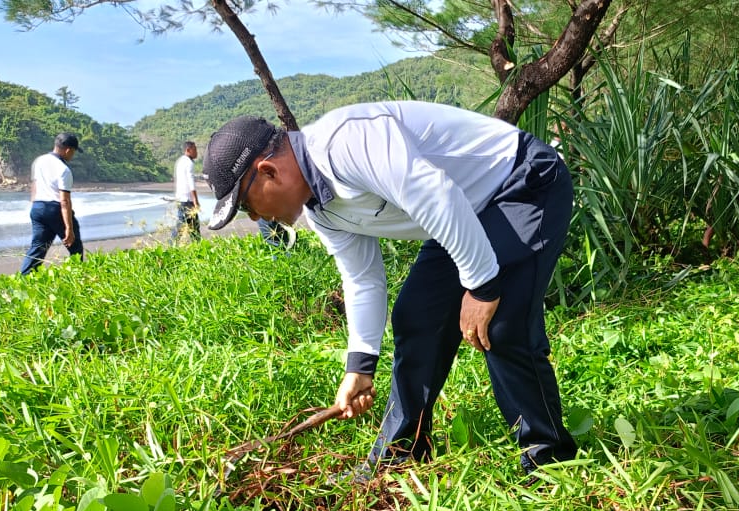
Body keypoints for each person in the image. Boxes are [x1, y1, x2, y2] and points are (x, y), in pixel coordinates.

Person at [202, 102, 579, 478]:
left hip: (522, 182)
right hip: (463, 210)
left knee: (501, 324)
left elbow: (437, 196)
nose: (255, 217)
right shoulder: (321, 210)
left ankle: (549, 460)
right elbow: (362, 278)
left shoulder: (347, 142)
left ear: (268, 171)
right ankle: (400, 457)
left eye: (246, 204)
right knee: (417, 316)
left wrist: (482, 288)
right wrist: (360, 366)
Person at [20, 133, 85, 274]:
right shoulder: (64, 169)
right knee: (75, 247)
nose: (72, 155)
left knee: (37, 248)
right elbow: (64, 200)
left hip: (38, 207)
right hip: (55, 209)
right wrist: (69, 228)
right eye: (73, 152)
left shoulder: (39, 161)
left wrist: (34, 206)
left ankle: (25, 278)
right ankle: (77, 276)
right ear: (68, 150)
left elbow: (34, 185)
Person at [173, 140, 201, 242]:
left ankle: (196, 245)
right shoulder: (189, 163)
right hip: (187, 200)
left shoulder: (180, 161)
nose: (196, 152)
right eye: (195, 149)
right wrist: (195, 201)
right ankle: (172, 245)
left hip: (180, 198)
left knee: (190, 226)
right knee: (189, 227)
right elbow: (191, 182)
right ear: (188, 150)